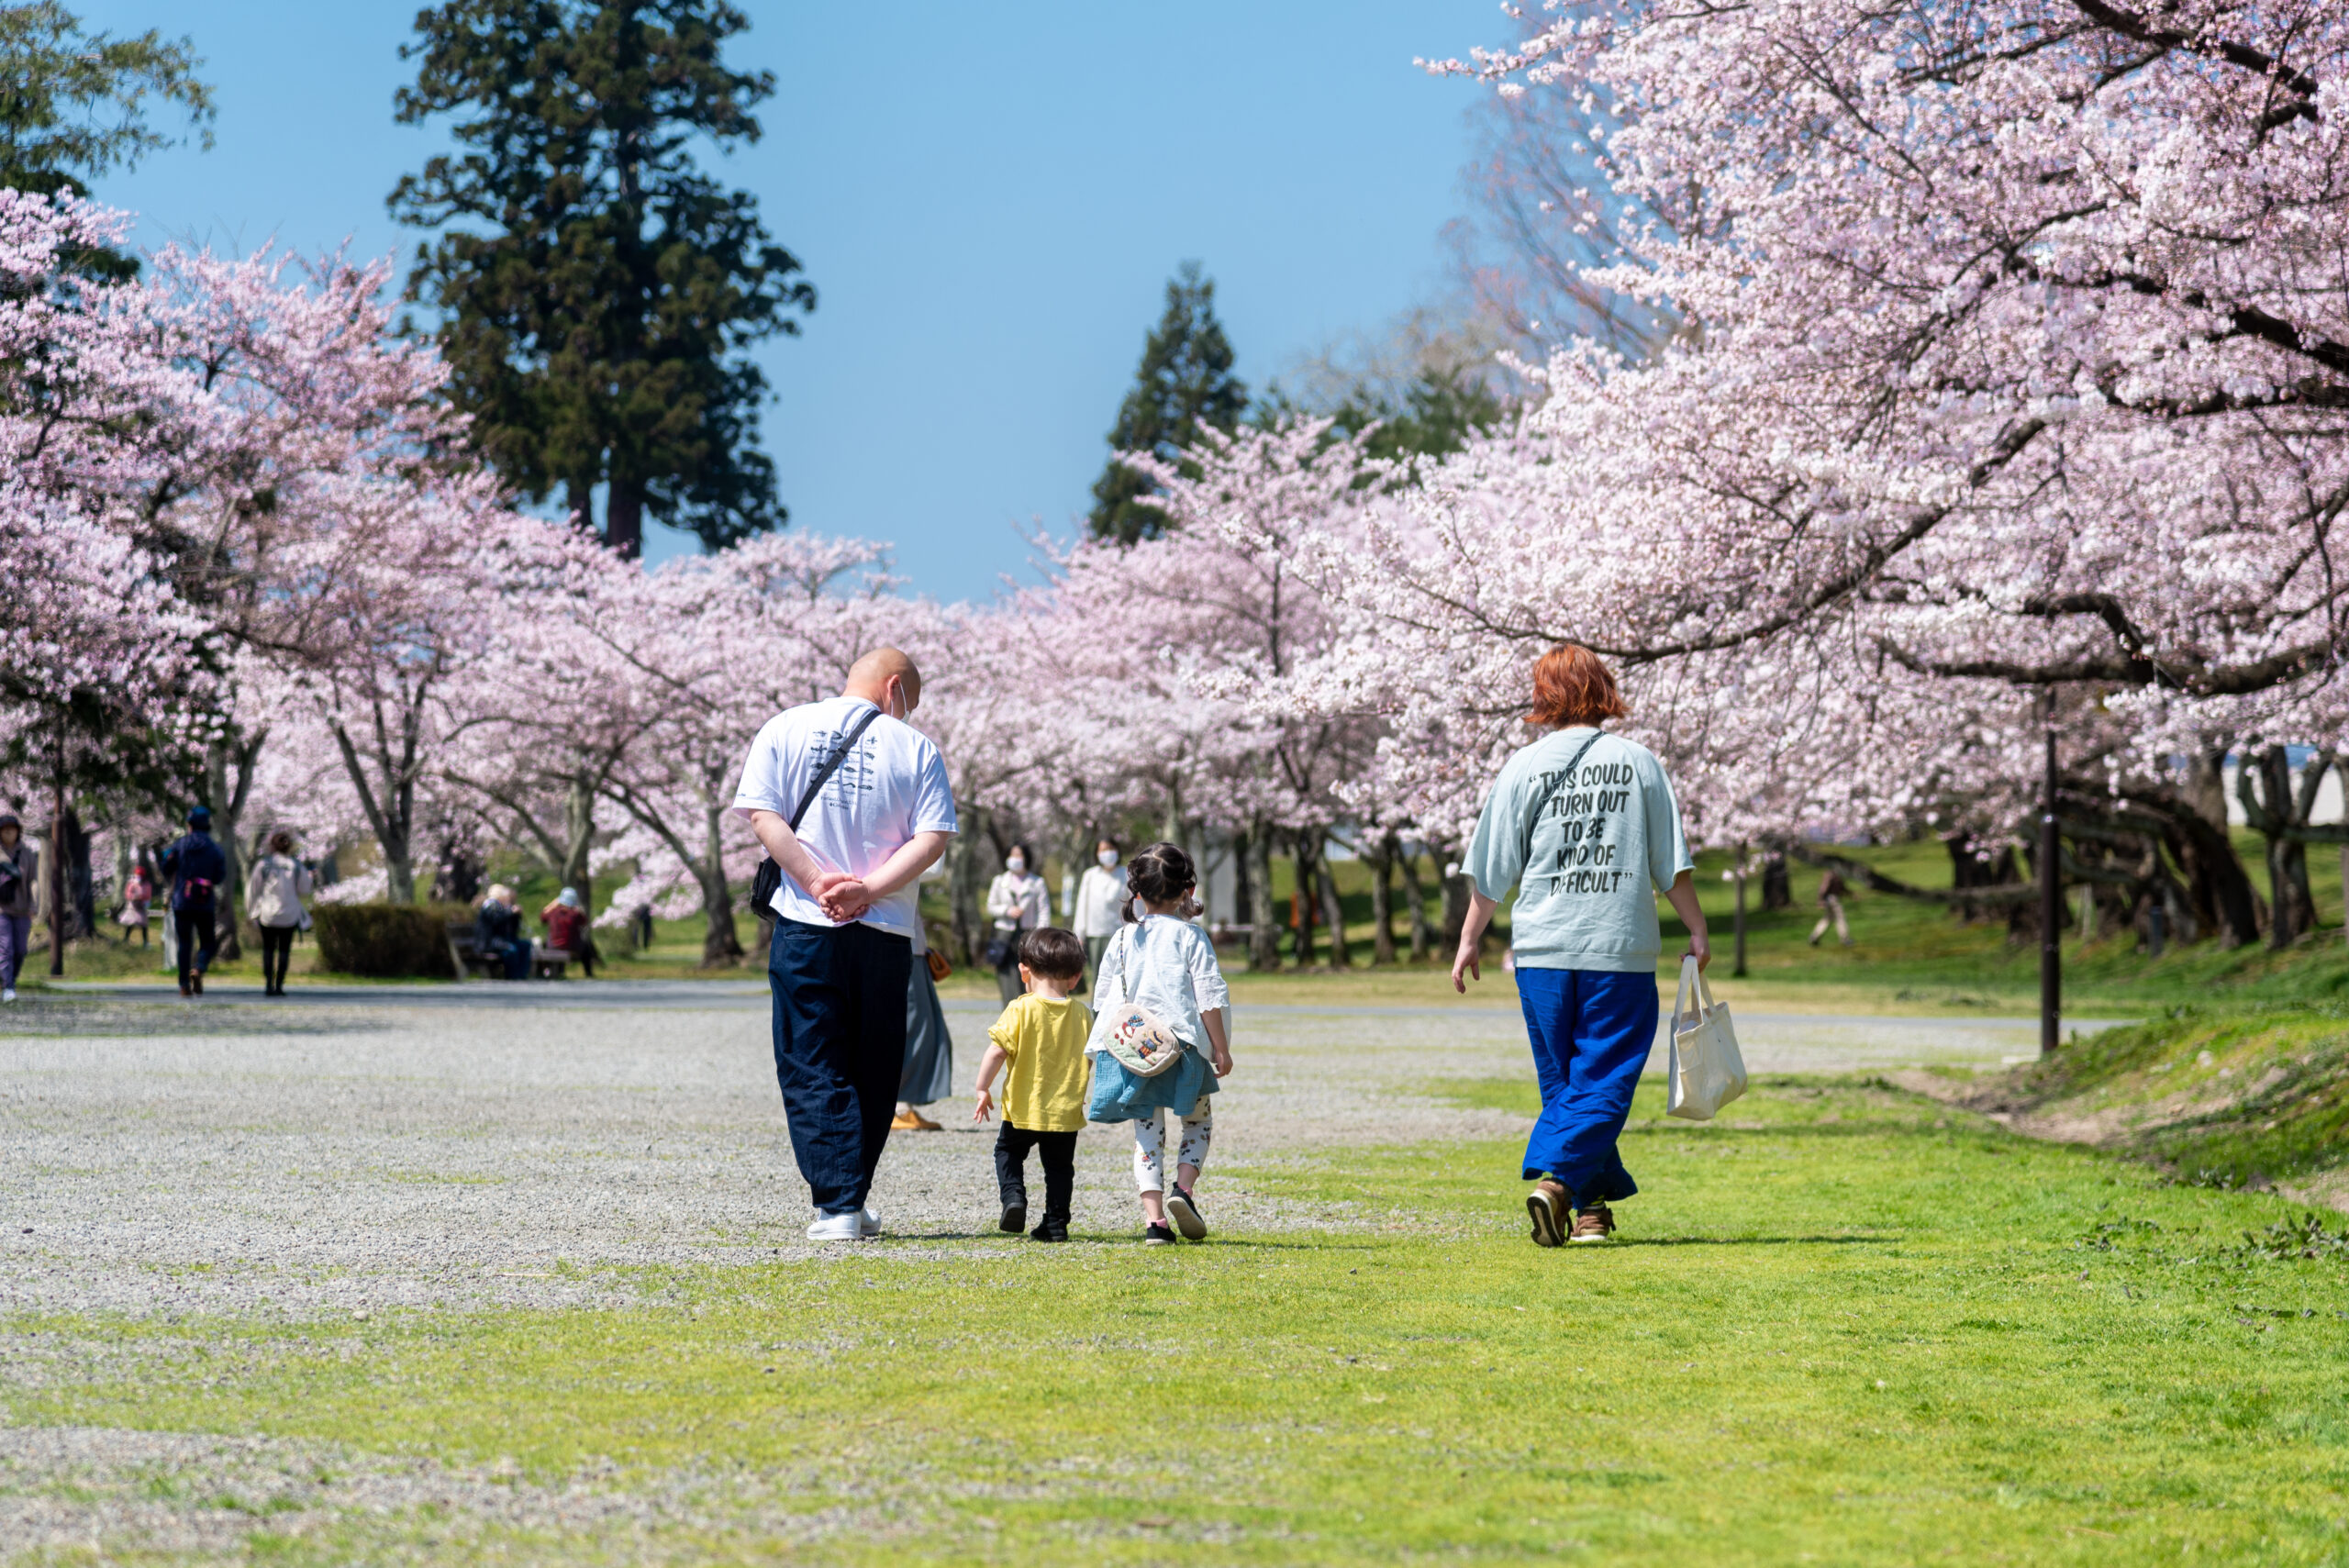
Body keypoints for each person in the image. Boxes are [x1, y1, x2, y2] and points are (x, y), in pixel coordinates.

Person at [1453, 644, 1709, 1248]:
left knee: (1568, 1084)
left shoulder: (1521, 767)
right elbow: (1670, 864)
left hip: (1540, 950)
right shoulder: (1639, 761)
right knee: (1605, 1078)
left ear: (1543, 696)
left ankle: (1590, 1211)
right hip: (1615, 947)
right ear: (1602, 688)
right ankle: (1559, 1184)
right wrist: (1697, 927)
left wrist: (1469, 940)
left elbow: (1490, 870)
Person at [733, 646, 957, 1244]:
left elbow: (762, 814)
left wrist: (813, 880)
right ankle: (845, 1199)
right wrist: (868, 889)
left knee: (810, 1057)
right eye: (909, 700)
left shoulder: (784, 727)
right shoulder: (917, 748)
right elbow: (932, 838)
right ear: (893, 689)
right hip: (884, 931)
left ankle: (840, 1202)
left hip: (806, 923)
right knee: (875, 1063)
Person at [1085, 841, 1233, 1246]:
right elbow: (1209, 998)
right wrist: (1221, 1048)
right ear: (1187, 891)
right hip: (1183, 1050)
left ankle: (1155, 1224)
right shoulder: (1192, 937)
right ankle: (1182, 1190)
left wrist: (1100, 1050)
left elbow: (1104, 1001)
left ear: (1138, 890)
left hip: (1136, 1051)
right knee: (1198, 1121)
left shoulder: (1120, 939)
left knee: (1147, 1134)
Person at [974, 926, 1094, 1243]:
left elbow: (997, 1051)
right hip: (1064, 1113)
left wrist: (982, 1087)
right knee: (1059, 1169)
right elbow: (1091, 1058)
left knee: (1008, 1152)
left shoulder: (1020, 1008)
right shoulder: (1084, 1015)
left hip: (1023, 1109)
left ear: (1024, 971)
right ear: (1076, 977)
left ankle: (1014, 1198)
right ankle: (1055, 1223)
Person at [160, 806, 228, 999]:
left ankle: (183, 985)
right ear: (208, 825)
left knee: (185, 943)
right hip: (204, 901)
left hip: (182, 900)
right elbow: (219, 876)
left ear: (189, 825)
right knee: (208, 941)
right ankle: (199, 967)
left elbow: (166, 866)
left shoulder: (180, 845)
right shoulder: (214, 848)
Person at [893, 921, 952, 1132]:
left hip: (912, 945)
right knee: (912, 1028)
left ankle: (902, 1105)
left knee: (925, 1029)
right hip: (901, 942)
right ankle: (896, 1107)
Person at [244, 830, 313, 997]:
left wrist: (251, 911)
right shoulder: (296, 866)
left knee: (268, 949)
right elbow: (305, 889)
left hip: (267, 914)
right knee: (284, 950)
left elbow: (253, 889)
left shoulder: (264, 865)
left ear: (272, 846)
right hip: (289, 914)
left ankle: (269, 985)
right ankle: (279, 985)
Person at [985, 842, 1050, 1003]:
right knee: (1007, 976)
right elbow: (991, 906)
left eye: (1019, 855)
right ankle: (1010, 1014)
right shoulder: (999, 881)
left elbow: (1043, 911)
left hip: (1029, 935)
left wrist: (1041, 934)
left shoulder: (1037, 882)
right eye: (1012, 855)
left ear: (1026, 858)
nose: (1015, 859)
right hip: (1004, 935)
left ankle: (1028, 1014)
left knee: (1029, 977)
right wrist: (1007, 910)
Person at [1071, 837, 1129, 989]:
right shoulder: (1090, 875)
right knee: (1099, 977)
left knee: (1120, 976)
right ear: (1096, 854)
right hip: (1095, 933)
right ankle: (1098, 1012)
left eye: (1110, 849)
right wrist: (1079, 934)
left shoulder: (1126, 874)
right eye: (1103, 850)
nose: (1107, 853)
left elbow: (1134, 904)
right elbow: (1083, 905)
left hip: (1120, 933)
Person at [0, 813, 37, 1003]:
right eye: (4, 829)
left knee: (20, 949)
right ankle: (9, 987)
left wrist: (33, 905)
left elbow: (33, 882)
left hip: (22, 909)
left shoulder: (27, 854)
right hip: (1, 911)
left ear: (18, 832)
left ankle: (9, 980)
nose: (8, 832)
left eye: (11, 829)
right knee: (5, 948)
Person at [475, 884, 531, 981]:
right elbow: (496, 919)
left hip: (500, 939)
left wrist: (516, 915)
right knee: (511, 949)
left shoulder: (501, 907)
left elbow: (512, 928)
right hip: (489, 941)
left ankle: (521, 975)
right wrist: (510, 912)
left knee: (525, 945)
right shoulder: (490, 905)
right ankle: (513, 976)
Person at [541, 887, 596, 976]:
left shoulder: (553, 912)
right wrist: (579, 911)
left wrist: (551, 905)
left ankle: (554, 971)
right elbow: (584, 921)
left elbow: (542, 917)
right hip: (571, 947)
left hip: (553, 946)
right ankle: (588, 973)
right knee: (586, 947)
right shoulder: (575, 914)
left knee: (546, 943)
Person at [1809, 868, 1853, 947]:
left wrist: (1851, 894)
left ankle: (1814, 937)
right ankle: (1845, 939)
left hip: (1829, 900)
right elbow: (1824, 887)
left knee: (1827, 919)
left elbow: (1842, 888)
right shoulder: (1831, 873)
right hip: (1832, 900)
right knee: (1840, 918)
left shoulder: (1835, 873)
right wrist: (1820, 900)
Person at [119, 862, 152, 948]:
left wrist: (141, 897)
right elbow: (128, 893)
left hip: (141, 906)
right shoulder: (132, 883)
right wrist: (133, 897)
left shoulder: (147, 884)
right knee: (130, 923)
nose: (138, 877)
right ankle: (125, 939)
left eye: (140, 875)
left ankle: (146, 942)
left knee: (144, 924)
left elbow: (148, 895)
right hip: (133, 906)